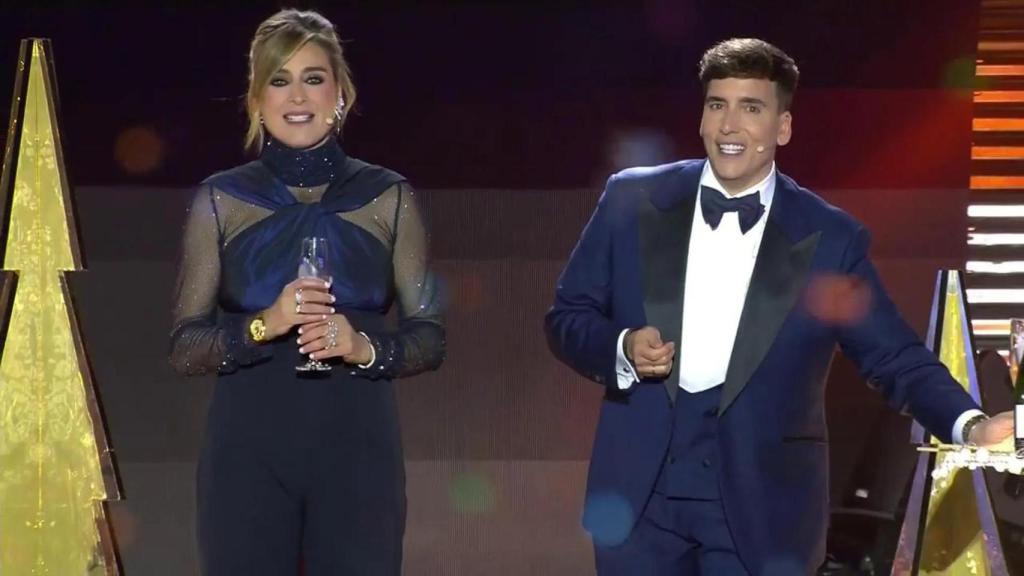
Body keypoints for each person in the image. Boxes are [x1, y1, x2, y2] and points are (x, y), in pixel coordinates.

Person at [544, 38, 1013, 575]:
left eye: (752, 108)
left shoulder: (828, 237)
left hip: (763, 506)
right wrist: (621, 348)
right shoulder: (631, 200)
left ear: (783, 127)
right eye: (717, 105)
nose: (729, 127)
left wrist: (970, 424)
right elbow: (567, 318)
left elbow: (893, 356)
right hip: (639, 500)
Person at [169, 9, 444, 575]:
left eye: (313, 78)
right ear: (256, 99)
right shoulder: (220, 199)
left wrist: (363, 346)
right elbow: (185, 345)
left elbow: (429, 337)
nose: (298, 95)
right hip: (247, 451)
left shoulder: (387, 196)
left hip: (358, 449)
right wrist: (262, 324)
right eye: (279, 79)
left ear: (340, 93)